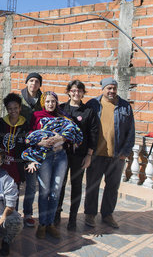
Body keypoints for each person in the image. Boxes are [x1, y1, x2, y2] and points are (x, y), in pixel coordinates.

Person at [84, 77, 135, 229]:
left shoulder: (125, 106)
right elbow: (85, 128)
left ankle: (107, 214)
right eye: (109, 88)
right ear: (103, 89)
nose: (112, 91)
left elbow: (131, 131)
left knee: (112, 187)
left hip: (117, 155)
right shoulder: (93, 104)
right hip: (96, 154)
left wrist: (125, 152)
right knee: (92, 186)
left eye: (114, 88)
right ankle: (90, 214)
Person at [55, 80, 98, 231]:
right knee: (59, 184)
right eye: (73, 90)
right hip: (61, 154)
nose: (76, 93)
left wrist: (89, 155)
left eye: (79, 91)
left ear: (83, 93)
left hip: (79, 155)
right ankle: (56, 214)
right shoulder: (60, 109)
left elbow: (93, 134)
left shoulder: (88, 111)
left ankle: (72, 218)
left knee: (76, 186)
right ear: (68, 92)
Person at [28, 91, 70, 239]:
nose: (50, 104)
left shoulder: (62, 116)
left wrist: (62, 137)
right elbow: (30, 136)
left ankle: (50, 223)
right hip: (44, 157)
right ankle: (42, 224)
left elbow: (71, 134)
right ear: (43, 103)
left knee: (55, 191)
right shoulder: (37, 116)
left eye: (53, 101)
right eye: (47, 101)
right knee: (44, 191)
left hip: (60, 157)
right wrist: (40, 142)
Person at [0, 93, 30, 208]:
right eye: (10, 109)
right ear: (7, 109)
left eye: (16, 108)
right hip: (1, 166)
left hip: (16, 167)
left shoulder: (25, 125)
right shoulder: (0, 123)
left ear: (20, 108)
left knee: (14, 195)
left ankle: (13, 220)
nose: (13, 111)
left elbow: (28, 146)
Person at [19, 72, 42, 227]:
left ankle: (28, 213)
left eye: (37, 81)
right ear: (26, 82)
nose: (34, 84)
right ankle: (11, 211)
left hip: (37, 147)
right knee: (15, 181)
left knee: (32, 184)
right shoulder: (19, 99)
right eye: (31, 80)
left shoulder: (43, 99)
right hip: (19, 144)